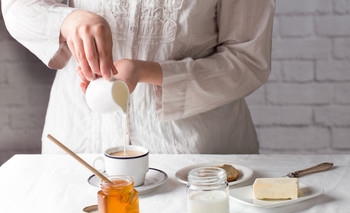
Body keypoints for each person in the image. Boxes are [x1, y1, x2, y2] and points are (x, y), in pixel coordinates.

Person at [2, 0, 276, 154]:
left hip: (195, 161)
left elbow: (247, 60)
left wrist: (148, 72)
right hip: (80, 145)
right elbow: (17, 6)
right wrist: (67, 21)